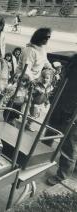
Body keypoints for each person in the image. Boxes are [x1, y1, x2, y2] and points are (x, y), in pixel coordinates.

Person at [47, 54, 77, 186]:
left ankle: (62, 176)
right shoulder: (73, 60)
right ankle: (40, 159)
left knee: (68, 144)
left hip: (72, 111)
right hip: (60, 104)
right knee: (49, 133)